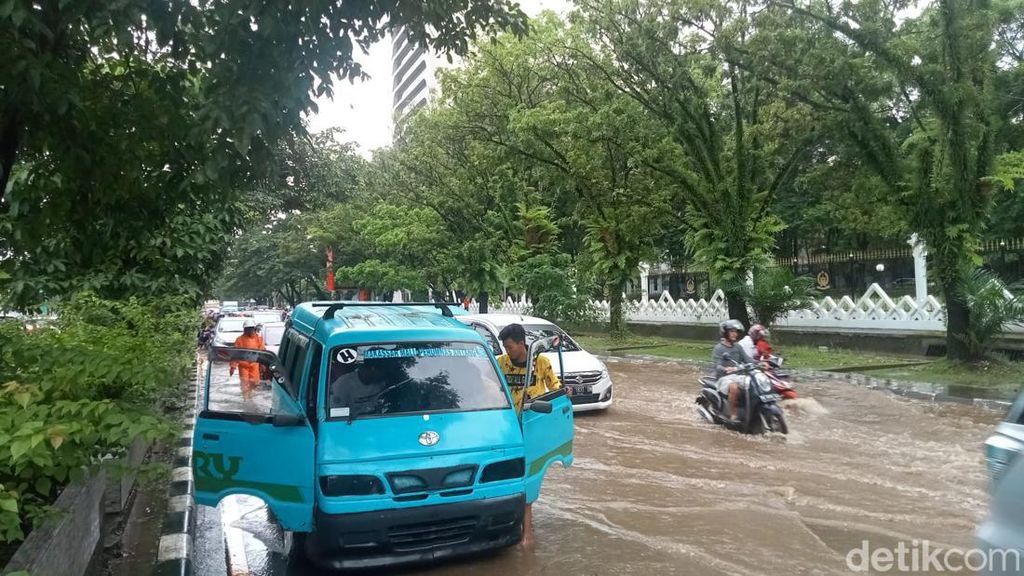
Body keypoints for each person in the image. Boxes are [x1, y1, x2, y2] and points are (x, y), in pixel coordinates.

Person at [495, 323, 562, 548]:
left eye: (510, 347)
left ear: (522, 344)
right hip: (506, 427)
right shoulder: (500, 363)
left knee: (528, 477)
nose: (507, 352)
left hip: (533, 427)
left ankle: (528, 532)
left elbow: (555, 387)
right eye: (504, 347)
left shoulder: (540, 363)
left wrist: (562, 395)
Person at [712, 319, 758, 424]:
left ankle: (751, 411)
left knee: (753, 383)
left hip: (738, 375)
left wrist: (761, 362)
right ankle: (733, 414)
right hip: (723, 378)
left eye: (736, 331)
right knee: (734, 387)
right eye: (732, 331)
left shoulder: (738, 347)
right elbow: (717, 365)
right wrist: (725, 369)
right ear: (725, 332)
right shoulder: (719, 348)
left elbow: (747, 359)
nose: (735, 334)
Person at [230, 319, 265, 400]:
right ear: (244, 329)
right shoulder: (239, 339)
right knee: (244, 383)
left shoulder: (259, 339)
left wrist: (263, 364)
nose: (249, 330)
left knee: (255, 382)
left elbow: (262, 352)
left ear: (254, 329)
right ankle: (246, 399)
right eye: (247, 328)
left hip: (254, 365)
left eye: (251, 328)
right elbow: (235, 354)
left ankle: (250, 394)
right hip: (243, 366)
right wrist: (232, 367)